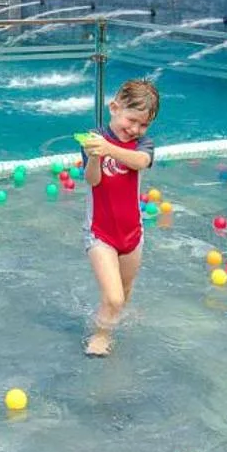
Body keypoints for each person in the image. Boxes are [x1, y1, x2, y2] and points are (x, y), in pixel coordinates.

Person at [78, 78, 160, 357]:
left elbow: (141, 162)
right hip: (100, 232)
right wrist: (94, 156)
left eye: (143, 124)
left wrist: (109, 149)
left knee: (123, 292)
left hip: (132, 234)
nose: (135, 129)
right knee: (113, 296)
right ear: (114, 107)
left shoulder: (142, 144)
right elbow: (92, 180)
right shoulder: (93, 138)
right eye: (131, 120)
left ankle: (110, 322)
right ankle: (101, 335)